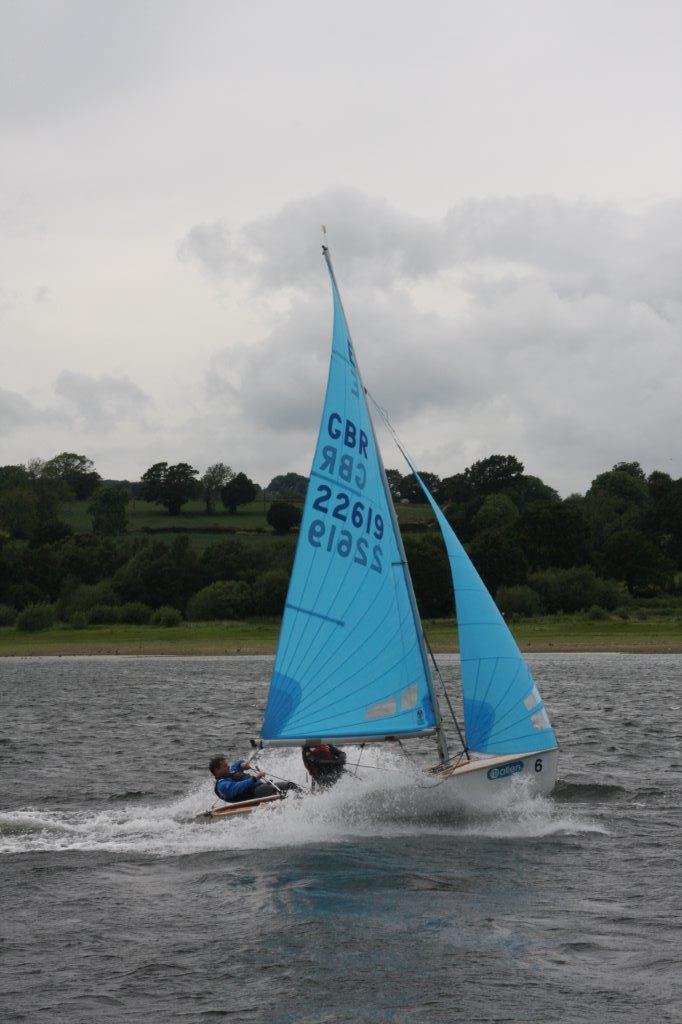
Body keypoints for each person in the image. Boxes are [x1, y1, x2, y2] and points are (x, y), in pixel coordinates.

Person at [209, 755, 298, 803]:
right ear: (217, 770)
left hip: (262, 788)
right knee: (275, 791)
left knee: (289, 785)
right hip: (253, 795)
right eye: (225, 766)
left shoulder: (230, 772)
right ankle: (293, 804)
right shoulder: (222, 784)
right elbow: (236, 788)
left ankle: (307, 798)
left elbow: (236, 764)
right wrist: (254, 779)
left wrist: (241, 764)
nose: (228, 766)